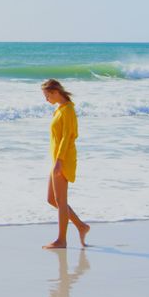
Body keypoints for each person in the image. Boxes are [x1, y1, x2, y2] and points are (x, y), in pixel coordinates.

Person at [41, 79, 90, 249]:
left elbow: (67, 137)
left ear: (55, 92)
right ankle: (81, 226)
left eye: (47, 95)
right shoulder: (60, 109)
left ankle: (62, 240)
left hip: (64, 160)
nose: (46, 99)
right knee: (51, 199)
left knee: (61, 200)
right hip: (57, 160)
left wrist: (60, 162)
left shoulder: (68, 110)